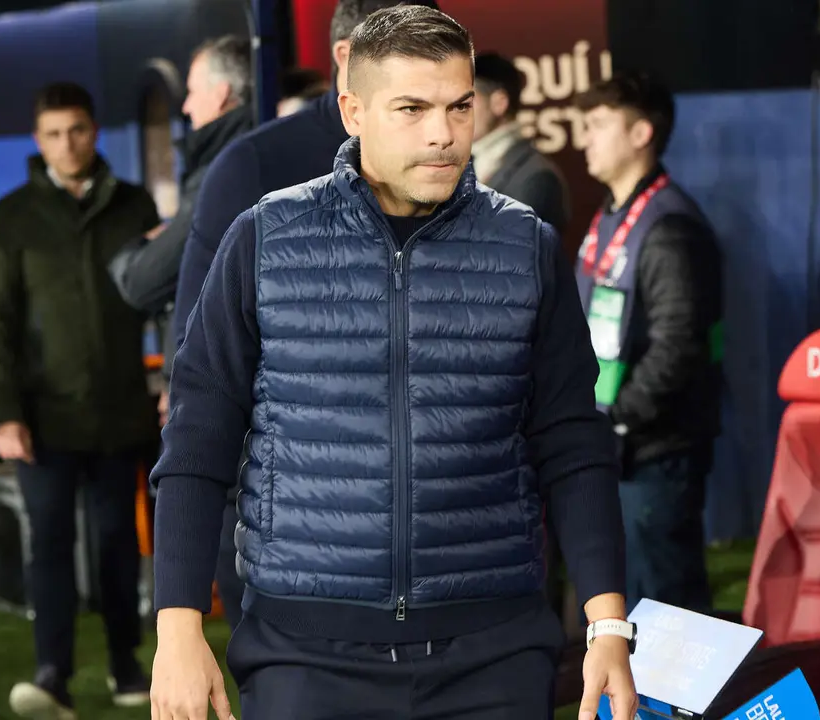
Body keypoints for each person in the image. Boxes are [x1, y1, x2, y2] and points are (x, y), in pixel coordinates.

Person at [149, 6, 638, 720]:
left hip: (494, 654)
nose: (442, 133)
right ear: (353, 110)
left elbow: (572, 444)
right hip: (305, 654)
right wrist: (178, 629)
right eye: (411, 108)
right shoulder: (264, 240)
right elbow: (196, 445)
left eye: (459, 106)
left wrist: (606, 624)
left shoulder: (526, 247)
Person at [171, 0, 441, 631]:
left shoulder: (460, 183)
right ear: (347, 60)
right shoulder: (254, 168)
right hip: (290, 547)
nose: (437, 121)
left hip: (437, 554)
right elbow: (200, 361)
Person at [0, 82, 161, 719]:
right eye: (53, 134)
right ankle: (51, 673)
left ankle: (124, 661)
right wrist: (2, 413)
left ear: (94, 130)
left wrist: (178, 386)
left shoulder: (134, 206)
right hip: (39, 418)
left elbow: (170, 300)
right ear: (37, 139)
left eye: (76, 130)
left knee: (115, 544)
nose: (66, 144)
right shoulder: (10, 216)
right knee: (47, 545)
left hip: (119, 409)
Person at [572, 72, 723, 612]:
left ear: (640, 134)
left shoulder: (668, 225)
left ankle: (691, 704)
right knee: (630, 607)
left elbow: (679, 345)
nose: (583, 138)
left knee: (667, 609)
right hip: (619, 446)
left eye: (597, 125)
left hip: (655, 450)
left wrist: (619, 417)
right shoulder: (612, 215)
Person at [107, 35, 254, 423]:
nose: (186, 107)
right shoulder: (252, 155)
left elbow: (144, 280)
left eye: (191, 92)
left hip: (211, 388)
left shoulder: (221, 171)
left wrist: (138, 247)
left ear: (221, 94)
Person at [471, 51, 570, 232]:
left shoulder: (537, 177)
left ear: (499, 103)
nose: (458, 113)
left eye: (467, 102)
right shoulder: (464, 167)